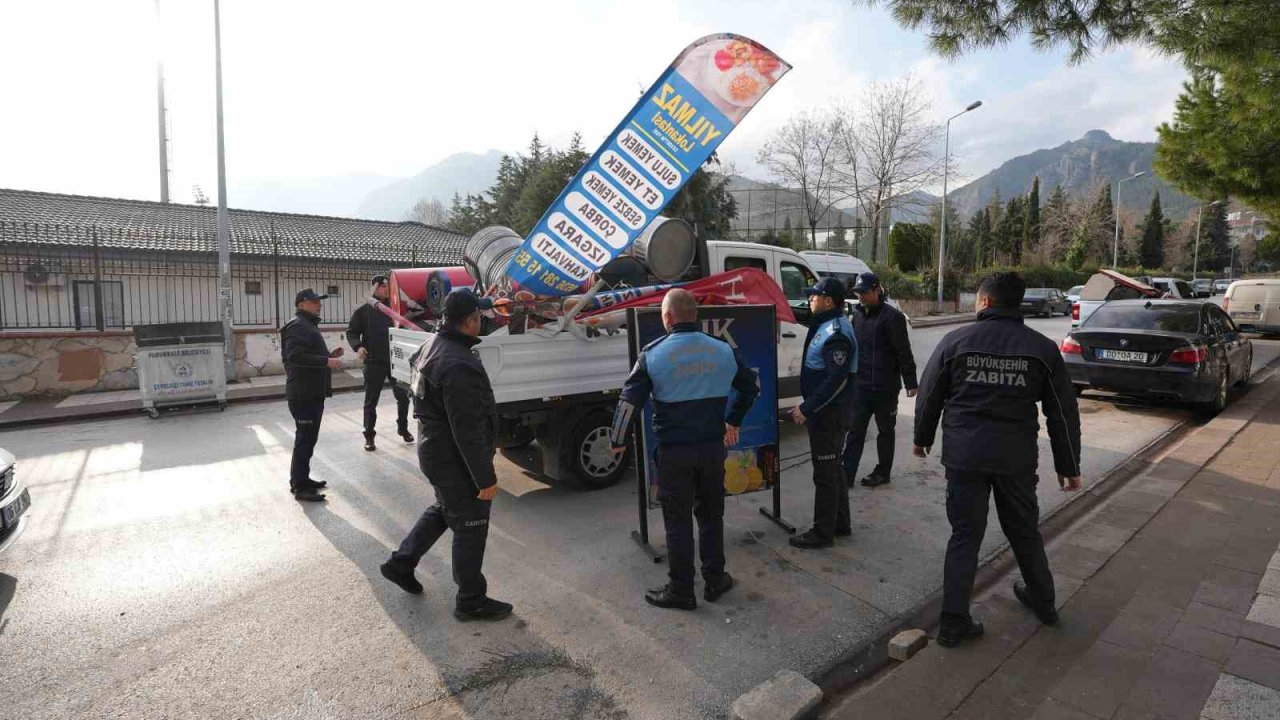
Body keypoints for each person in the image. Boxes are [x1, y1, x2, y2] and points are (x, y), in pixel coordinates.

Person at [913, 271, 1083, 648]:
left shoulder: (956, 341)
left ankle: (954, 622)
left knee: (965, 535)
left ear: (985, 302)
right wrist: (1068, 464)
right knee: (1023, 530)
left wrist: (921, 439)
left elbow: (929, 395)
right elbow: (1061, 411)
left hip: (965, 457)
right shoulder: (1040, 348)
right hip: (1014, 459)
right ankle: (1044, 602)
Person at [609, 289, 759, 609]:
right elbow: (751, 387)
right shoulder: (723, 350)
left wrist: (617, 441)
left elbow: (627, 403)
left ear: (667, 318)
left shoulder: (653, 354)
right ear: (695, 315)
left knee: (677, 520)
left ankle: (681, 590)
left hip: (674, 453)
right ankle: (715, 580)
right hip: (711, 450)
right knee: (711, 515)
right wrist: (732, 420)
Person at [380, 288, 512, 622]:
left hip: (435, 450)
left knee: (445, 509)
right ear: (469, 321)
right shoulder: (458, 362)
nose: (483, 320)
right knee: (470, 525)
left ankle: (401, 563)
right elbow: (465, 429)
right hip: (453, 458)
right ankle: (471, 599)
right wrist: (484, 478)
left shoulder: (432, 345)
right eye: (479, 317)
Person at [788, 278, 857, 549]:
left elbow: (837, 379)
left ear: (828, 300)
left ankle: (822, 532)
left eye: (814, 296)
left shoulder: (836, 332)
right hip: (826, 412)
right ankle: (840, 522)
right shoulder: (826, 324)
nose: (810, 300)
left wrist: (807, 408)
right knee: (833, 468)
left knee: (825, 473)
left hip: (830, 414)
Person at [842, 272, 917, 488]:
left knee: (885, 432)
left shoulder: (892, 317)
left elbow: (903, 351)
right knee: (855, 431)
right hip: (861, 387)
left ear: (877, 290)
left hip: (885, 388)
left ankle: (883, 472)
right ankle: (847, 473)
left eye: (865, 292)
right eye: (858, 293)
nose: (861, 297)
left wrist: (910, 381)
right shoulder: (857, 316)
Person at [281, 288, 344, 502]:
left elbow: (307, 354)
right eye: (314, 301)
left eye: (320, 301)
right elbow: (295, 356)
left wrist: (327, 356)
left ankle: (302, 479)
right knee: (304, 439)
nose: (319, 304)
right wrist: (326, 361)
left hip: (312, 392)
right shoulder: (298, 326)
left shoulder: (307, 325)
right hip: (303, 394)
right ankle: (300, 487)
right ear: (302, 304)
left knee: (308, 438)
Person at [346, 274, 412, 451]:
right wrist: (358, 347)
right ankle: (369, 436)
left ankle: (403, 428)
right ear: (374, 287)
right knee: (371, 401)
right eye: (383, 286)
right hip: (374, 361)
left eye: (388, 286)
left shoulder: (396, 308)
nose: (386, 289)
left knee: (403, 398)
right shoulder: (364, 310)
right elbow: (352, 332)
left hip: (395, 361)